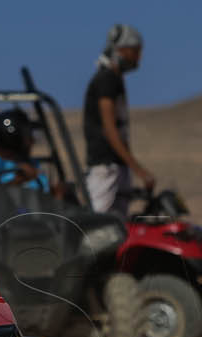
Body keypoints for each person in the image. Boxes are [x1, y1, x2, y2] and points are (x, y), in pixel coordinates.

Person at [82, 24, 152, 213]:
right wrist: (139, 170)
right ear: (122, 50)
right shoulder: (107, 80)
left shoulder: (114, 79)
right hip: (105, 168)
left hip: (116, 168)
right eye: (136, 51)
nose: (139, 57)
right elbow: (109, 128)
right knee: (96, 227)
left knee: (117, 229)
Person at [0, 108, 64, 198]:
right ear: (14, 139)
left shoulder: (32, 164)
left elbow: (42, 198)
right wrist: (18, 180)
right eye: (28, 135)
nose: (32, 141)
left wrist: (56, 194)